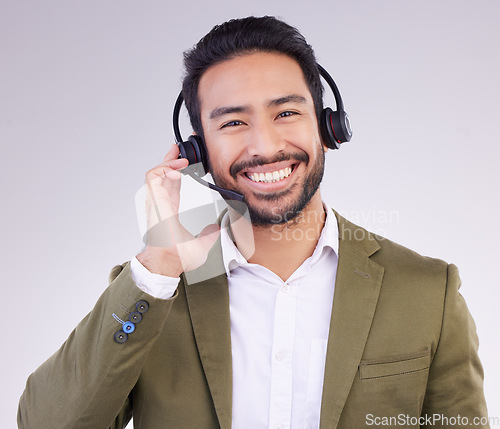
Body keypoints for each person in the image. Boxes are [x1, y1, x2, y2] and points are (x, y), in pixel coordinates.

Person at [18, 16, 489, 429]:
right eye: (232, 123)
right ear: (195, 151)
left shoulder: (428, 291)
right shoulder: (153, 292)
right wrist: (157, 265)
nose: (264, 147)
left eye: (286, 112)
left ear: (328, 129)